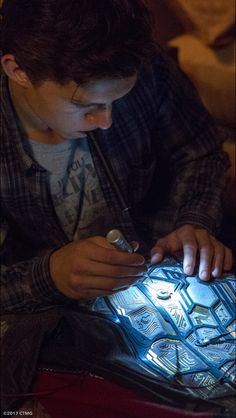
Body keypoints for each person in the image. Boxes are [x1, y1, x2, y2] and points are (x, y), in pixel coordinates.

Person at [1, 0, 233, 315]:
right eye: (85, 106)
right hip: (55, 317)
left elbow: (199, 150)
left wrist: (192, 220)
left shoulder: (144, 65)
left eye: (118, 100)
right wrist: (51, 276)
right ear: (18, 71)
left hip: (163, 281)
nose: (106, 121)